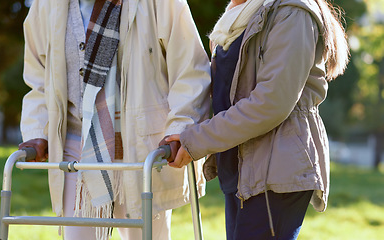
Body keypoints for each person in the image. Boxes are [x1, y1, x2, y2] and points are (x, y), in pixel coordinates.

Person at [17, 0, 211, 239]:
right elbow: (38, 77)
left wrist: (182, 128)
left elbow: (190, 70)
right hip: (76, 149)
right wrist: (37, 130)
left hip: (142, 149)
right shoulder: (47, 5)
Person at [164, 0, 349, 239]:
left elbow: (271, 103)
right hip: (240, 168)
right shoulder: (235, 16)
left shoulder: (292, 12)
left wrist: (197, 140)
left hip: (275, 169)